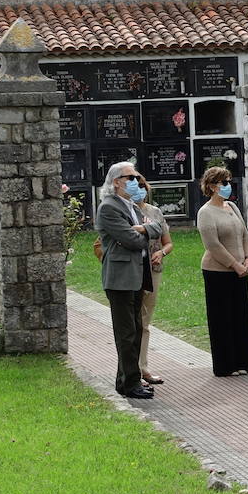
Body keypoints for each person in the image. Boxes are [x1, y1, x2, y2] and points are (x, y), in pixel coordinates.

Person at [94, 161, 163, 399]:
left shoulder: (131, 205)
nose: (136, 181)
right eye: (130, 177)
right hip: (121, 279)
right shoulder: (109, 207)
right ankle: (132, 383)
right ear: (117, 182)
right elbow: (131, 240)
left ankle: (125, 381)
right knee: (126, 334)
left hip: (136, 276)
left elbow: (156, 226)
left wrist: (144, 230)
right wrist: (144, 232)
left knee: (134, 330)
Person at [197, 166, 248, 377]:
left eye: (229, 182)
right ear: (212, 186)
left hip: (241, 269)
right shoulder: (206, 212)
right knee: (222, 317)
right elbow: (213, 245)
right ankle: (225, 364)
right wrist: (234, 265)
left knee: (240, 315)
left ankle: (242, 361)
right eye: (224, 183)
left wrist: (247, 259)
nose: (228, 187)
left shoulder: (232, 207)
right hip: (218, 271)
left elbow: (245, 235)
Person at [134, 173, 172, 389]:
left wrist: (162, 253)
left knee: (145, 321)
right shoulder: (125, 210)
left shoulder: (154, 212)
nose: (140, 189)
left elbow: (168, 243)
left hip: (153, 270)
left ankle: (143, 366)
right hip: (133, 271)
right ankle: (132, 369)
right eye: (135, 185)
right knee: (133, 320)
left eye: (142, 185)